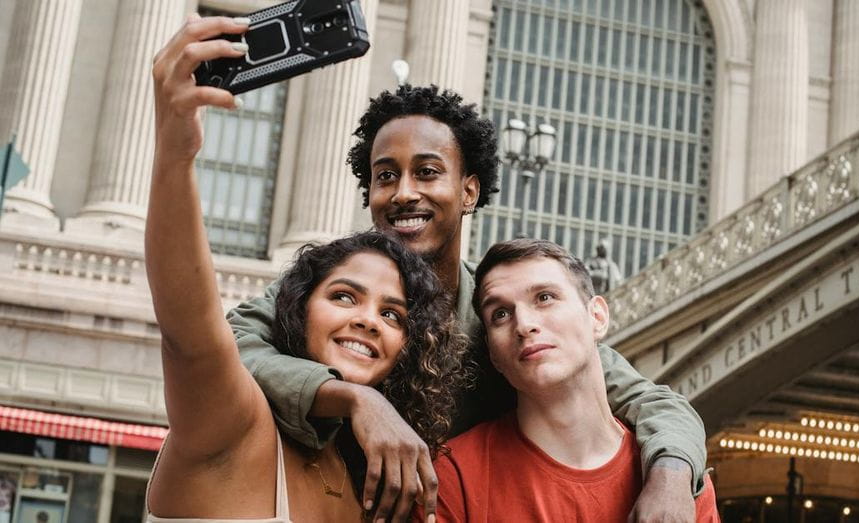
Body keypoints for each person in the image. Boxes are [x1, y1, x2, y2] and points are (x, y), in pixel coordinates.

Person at [230, 80, 709, 521]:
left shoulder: (504, 321)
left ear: (469, 190)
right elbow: (225, 346)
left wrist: (669, 480)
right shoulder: (328, 292)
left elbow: (654, 402)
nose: (404, 193)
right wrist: (355, 399)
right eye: (385, 176)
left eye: (427, 172)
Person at [145, 15, 467, 521]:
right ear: (296, 310)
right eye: (344, 296)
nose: (368, 319)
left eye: (393, 315)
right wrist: (175, 154)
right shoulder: (235, 423)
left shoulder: (367, 479)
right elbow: (189, 333)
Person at [420, 238, 719, 522]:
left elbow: (663, 405)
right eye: (500, 314)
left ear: (597, 317)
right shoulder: (451, 479)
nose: (524, 325)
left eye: (545, 298)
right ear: (492, 353)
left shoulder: (677, 485)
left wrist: (673, 477)